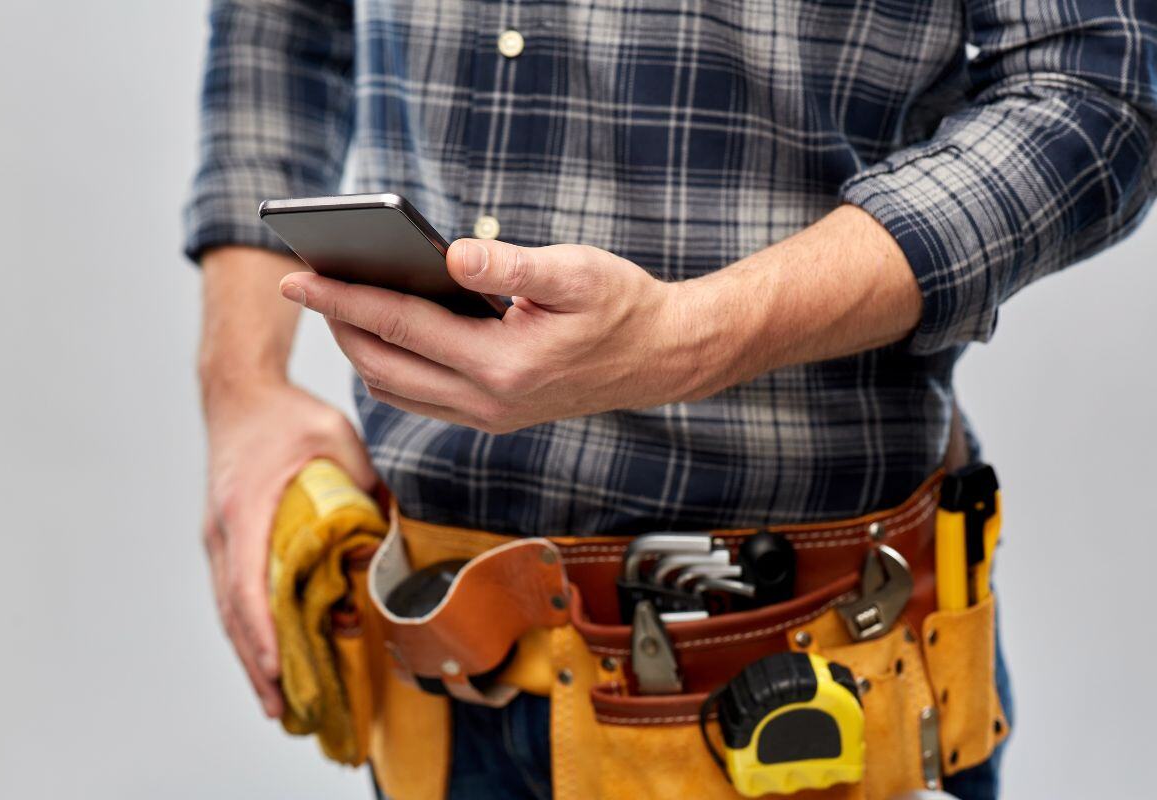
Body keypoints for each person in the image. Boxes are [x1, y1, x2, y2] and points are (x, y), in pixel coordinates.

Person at [185, 2, 1156, 798]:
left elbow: (1101, 88)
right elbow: (282, 21)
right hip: (438, 695)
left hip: (803, 699)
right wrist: (243, 389)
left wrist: (694, 336)